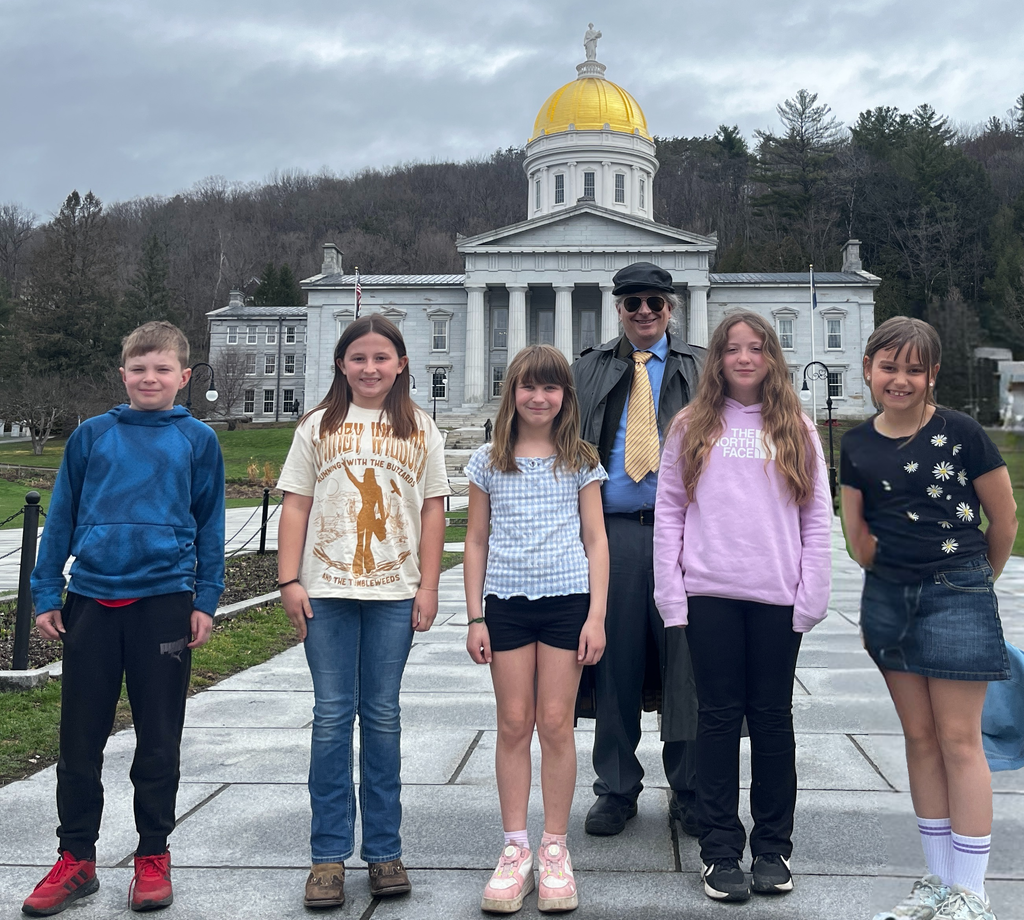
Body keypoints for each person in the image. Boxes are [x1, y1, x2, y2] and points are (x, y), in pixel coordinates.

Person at [25, 321, 226, 916]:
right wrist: (44, 591)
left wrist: (205, 599)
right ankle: (76, 859)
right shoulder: (92, 436)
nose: (150, 378)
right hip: (90, 602)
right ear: (123, 374)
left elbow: (210, 526)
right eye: (139, 368)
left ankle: (152, 856)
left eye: (163, 369)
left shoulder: (197, 441)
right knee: (78, 741)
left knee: (158, 740)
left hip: (163, 602)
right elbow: (60, 515)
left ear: (183, 377)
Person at [841, 317, 1017, 920]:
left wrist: (972, 585)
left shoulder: (962, 433)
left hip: (957, 589)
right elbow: (855, 535)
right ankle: (939, 881)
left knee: (960, 740)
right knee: (919, 739)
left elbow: (1004, 520)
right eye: (889, 366)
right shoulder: (857, 444)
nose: (900, 378)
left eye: (914, 368)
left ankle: (972, 891)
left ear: (932, 375)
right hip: (889, 600)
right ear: (868, 368)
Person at [653, 312, 832, 902]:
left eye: (757, 348)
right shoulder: (691, 425)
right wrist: (671, 594)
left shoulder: (797, 428)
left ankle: (774, 849)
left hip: (776, 596)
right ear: (719, 359)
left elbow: (815, 517)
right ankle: (720, 850)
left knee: (775, 721)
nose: (746, 358)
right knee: (718, 721)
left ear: (772, 357)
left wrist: (812, 595)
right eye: (734, 349)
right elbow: (671, 512)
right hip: (712, 595)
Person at [277, 314, 449, 910]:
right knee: (330, 717)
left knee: (381, 717)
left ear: (402, 364)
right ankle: (327, 856)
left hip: (393, 591)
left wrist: (428, 587)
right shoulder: (317, 427)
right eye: (358, 358)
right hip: (325, 589)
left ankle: (383, 852)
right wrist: (288, 578)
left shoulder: (421, 429)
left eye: (382, 357)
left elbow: (433, 512)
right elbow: (296, 505)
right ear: (341, 365)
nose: (370, 368)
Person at [465, 344, 608, 914]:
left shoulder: (581, 459)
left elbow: (596, 540)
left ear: (565, 397)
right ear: (512, 392)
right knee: (513, 722)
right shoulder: (487, 460)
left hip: (567, 602)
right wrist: (474, 614)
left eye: (551, 388)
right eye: (528, 387)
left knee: (555, 723)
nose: (539, 397)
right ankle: (515, 847)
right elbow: (475, 540)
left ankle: (554, 847)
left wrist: (596, 615)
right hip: (505, 604)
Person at [572, 261, 703, 838]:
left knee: (687, 663)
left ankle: (691, 786)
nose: (644, 312)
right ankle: (617, 787)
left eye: (655, 302)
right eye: (633, 304)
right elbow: (562, 448)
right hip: (614, 531)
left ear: (670, 307)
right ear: (618, 309)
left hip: (688, 533)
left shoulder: (702, 368)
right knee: (614, 662)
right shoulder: (590, 369)